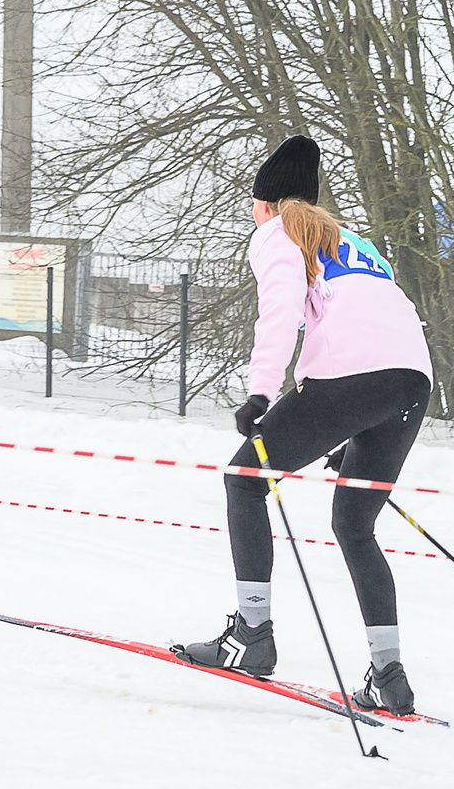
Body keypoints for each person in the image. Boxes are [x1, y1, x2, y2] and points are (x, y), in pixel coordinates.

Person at [174, 136, 435, 714]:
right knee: (354, 523)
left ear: (263, 204)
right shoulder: (359, 243)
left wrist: (261, 391)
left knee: (244, 482)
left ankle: (251, 635)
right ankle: (389, 676)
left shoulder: (274, 235)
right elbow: (382, 320)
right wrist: (356, 430)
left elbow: (283, 312)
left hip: (351, 379)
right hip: (412, 381)